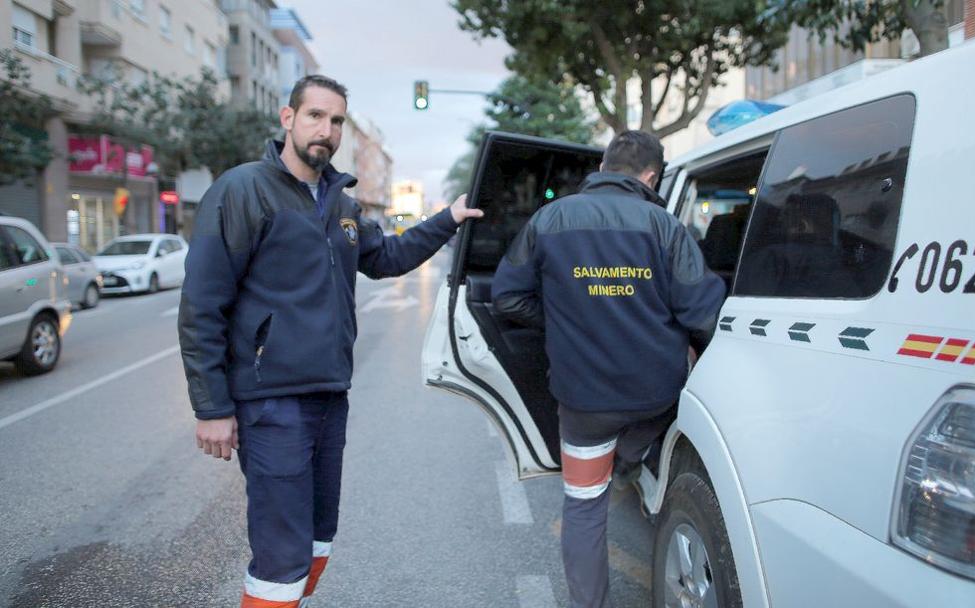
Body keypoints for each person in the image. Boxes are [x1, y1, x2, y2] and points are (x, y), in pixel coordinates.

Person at [178, 74, 482, 608]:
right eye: (316, 116)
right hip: (271, 401)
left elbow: (386, 257)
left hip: (328, 397)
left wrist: (449, 220)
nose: (327, 129)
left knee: (318, 542)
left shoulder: (340, 203)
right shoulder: (243, 189)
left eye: (337, 120)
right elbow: (202, 305)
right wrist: (211, 407)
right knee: (281, 556)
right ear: (287, 118)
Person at [491, 130, 725, 608]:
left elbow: (506, 297)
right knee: (648, 437)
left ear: (602, 165)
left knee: (583, 508)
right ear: (651, 176)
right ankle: (633, 462)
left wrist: (563, 315)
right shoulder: (664, 226)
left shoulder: (549, 218)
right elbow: (704, 315)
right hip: (655, 398)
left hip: (584, 402)